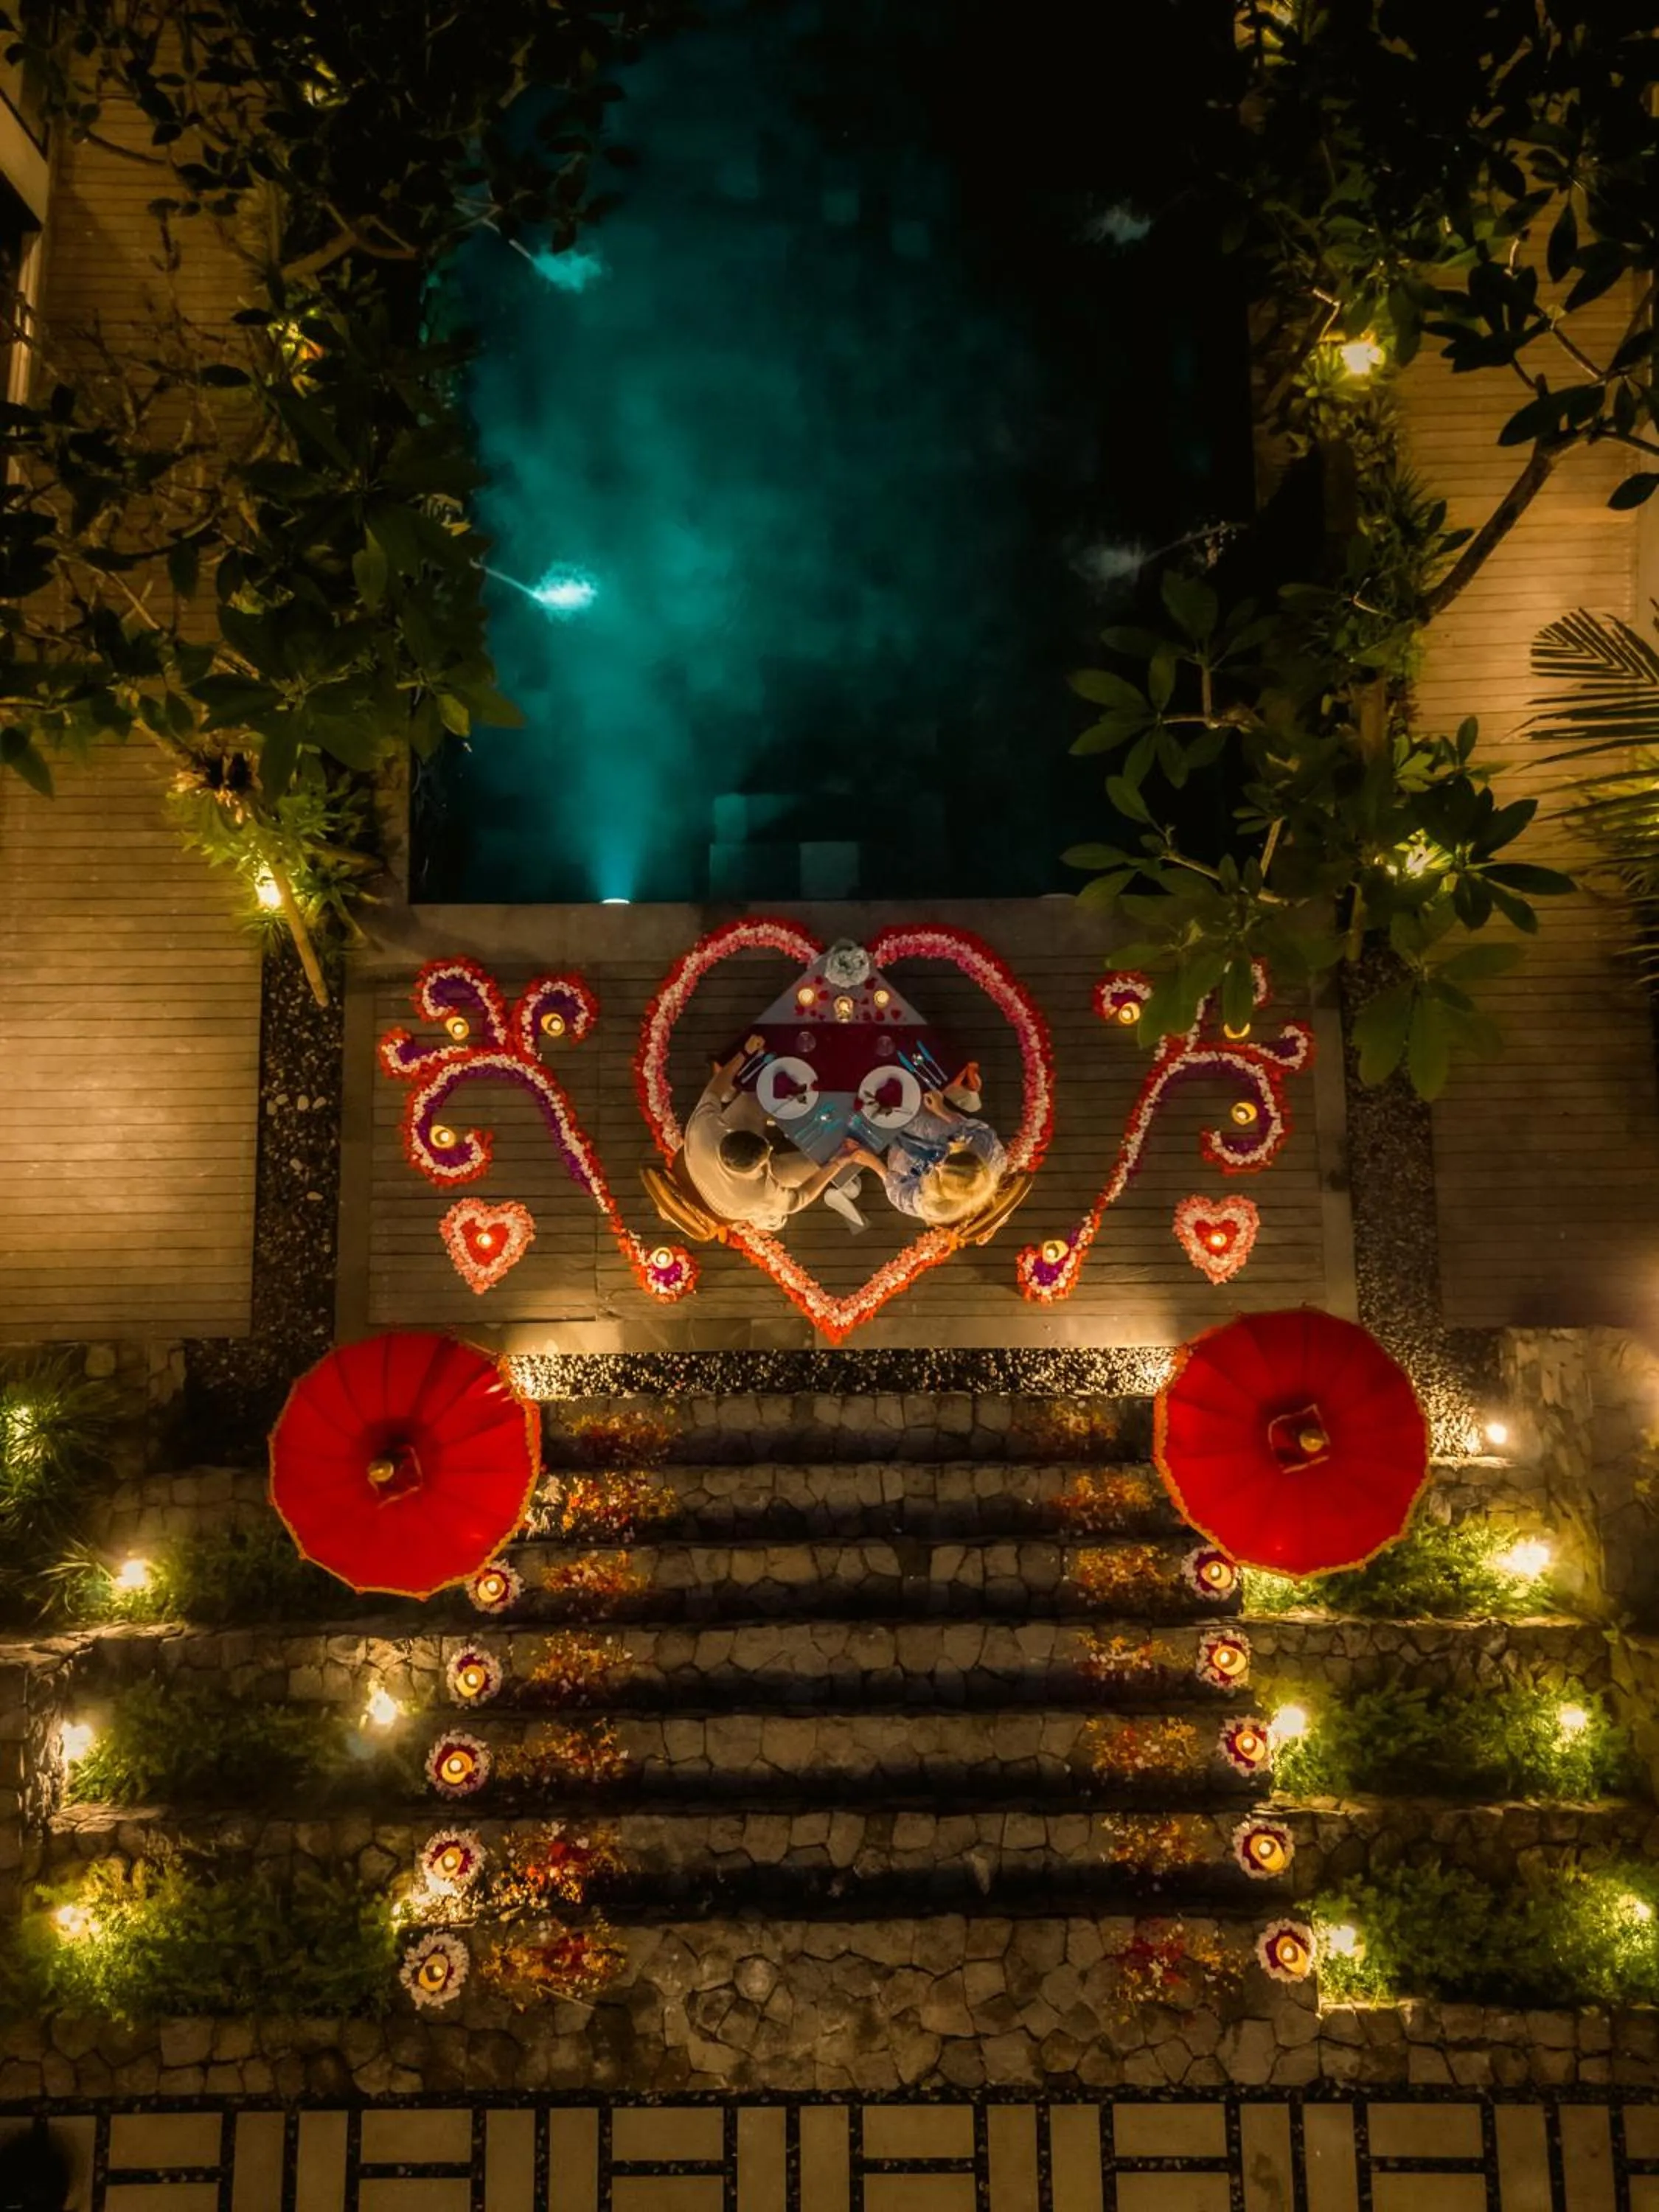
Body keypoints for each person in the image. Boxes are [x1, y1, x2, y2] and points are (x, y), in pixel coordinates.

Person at [682, 1035, 860, 1234]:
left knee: (761, 1093)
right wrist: (838, 1163)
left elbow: (715, 1089)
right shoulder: (761, 1194)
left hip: (706, 1160)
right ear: (762, 1165)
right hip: (733, 1202)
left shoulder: (703, 1129)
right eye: (768, 1153)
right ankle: (769, 1220)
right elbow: (800, 1197)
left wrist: (744, 1053)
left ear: (728, 1133)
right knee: (828, 1157)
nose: (770, 1147)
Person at [845, 1083, 1008, 1228]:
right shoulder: (988, 1150)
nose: (937, 1164)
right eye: (948, 1159)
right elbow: (971, 1128)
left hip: (908, 1163)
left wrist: (873, 1163)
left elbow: (900, 1194)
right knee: (899, 1101)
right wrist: (943, 1110)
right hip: (936, 1130)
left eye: (940, 1170)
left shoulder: (937, 1207)